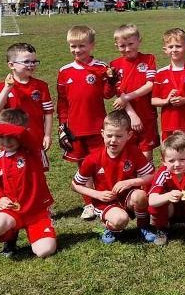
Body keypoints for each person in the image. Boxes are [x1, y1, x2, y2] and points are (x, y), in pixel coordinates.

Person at [0, 109, 57, 258]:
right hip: (13, 211)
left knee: (44, 251)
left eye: (10, 137)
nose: (6, 142)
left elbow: (21, 132)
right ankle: (10, 238)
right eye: (1, 137)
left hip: (37, 213)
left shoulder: (31, 148)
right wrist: (0, 198)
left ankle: (40, 230)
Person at [71, 110, 156, 244]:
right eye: (109, 135)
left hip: (128, 196)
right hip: (105, 202)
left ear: (129, 135)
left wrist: (130, 182)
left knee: (140, 196)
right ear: (102, 134)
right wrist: (97, 194)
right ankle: (110, 228)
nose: (113, 140)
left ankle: (143, 226)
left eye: (119, 136)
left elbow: (151, 176)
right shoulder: (92, 159)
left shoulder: (134, 152)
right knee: (120, 220)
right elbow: (75, 185)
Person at [57, 25, 114, 220]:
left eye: (81, 45)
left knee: (101, 164)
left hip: (97, 128)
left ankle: (105, 199)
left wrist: (110, 81)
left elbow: (107, 95)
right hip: (75, 129)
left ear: (92, 46)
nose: (77, 50)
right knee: (83, 168)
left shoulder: (100, 68)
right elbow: (62, 102)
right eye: (73, 46)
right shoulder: (64, 72)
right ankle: (88, 204)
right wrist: (62, 125)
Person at [0, 43, 53, 167]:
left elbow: (48, 113)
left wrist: (47, 135)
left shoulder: (41, 86)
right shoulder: (2, 87)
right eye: (26, 62)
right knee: (13, 171)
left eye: (34, 61)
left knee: (36, 173)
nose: (31, 65)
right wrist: (7, 88)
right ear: (11, 65)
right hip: (11, 139)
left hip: (34, 138)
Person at [108, 24, 159, 161]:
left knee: (146, 155)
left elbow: (150, 84)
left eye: (131, 44)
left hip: (147, 114)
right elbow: (118, 91)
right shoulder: (114, 65)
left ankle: (145, 183)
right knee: (125, 153)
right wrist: (132, 114)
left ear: (139, 40)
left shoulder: (149, 59)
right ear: (116, 45)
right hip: (125, 117)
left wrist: (127, 97)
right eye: (122, 46)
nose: (128, 48)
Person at [151, 28, 185, 158]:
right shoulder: (160, 73)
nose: (174, 49)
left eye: (178, 46)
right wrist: (166, 101)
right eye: (171, 46)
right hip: (168, 125)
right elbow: (153, 100)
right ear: (165, 49)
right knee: (169, 156)